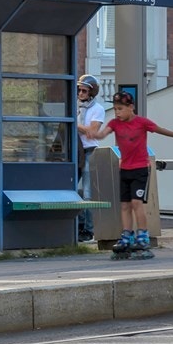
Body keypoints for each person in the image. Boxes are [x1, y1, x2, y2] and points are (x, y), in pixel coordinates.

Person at [86, 90, 173, 253]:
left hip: (140, 169)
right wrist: (93, 134)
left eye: (120, 109)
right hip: (124, 169)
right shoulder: (114, 123)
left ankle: (143, 236)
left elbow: (160, 129)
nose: (117, 112)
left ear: (131, 107)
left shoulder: (141, 122)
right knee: (124, 205)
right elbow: (102, 134)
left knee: (136, 203)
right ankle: (127, 236)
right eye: (116, 109)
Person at [72, 75, 106, 242]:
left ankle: (88, 230)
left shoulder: (97, 109)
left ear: (92, 93)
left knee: (87, 192)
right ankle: (77, 225)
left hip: (89, 150)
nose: (80, 93)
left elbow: (92, 131)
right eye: (79, 90)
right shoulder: (74, 106)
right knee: (72, 190)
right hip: (74, 150)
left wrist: (73, 123)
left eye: (84, 91)